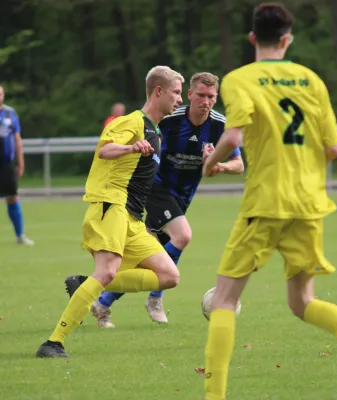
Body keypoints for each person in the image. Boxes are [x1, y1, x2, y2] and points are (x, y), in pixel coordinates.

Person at [200, 3, 337, 400]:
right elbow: (335, 148)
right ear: (288, 39)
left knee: (224, 299)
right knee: (302, 301)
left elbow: (233, 137)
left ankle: (214, 396)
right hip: (308, 204)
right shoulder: (311, 80)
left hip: (265, 201)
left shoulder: (240, 80)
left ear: (253, 38)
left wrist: (211, 163)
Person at [35, 66, 184, 358]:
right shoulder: (133, 121)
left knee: (168, 275)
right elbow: (104, 150)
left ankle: (84, 285)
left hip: (132, 217)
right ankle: (54, 342)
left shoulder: (156, 131)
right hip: (111, 205)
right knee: (106, 271)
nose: (180, 99)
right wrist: (129, 148)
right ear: (158, 91)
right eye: (177, 92)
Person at [92, 72, 244, 327]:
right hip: (155, 189)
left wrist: (217, 164)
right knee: (183, 236)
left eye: (211, 97)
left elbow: (239, 165)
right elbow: (142, 133)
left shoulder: (219, 125)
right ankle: (155, 298)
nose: (206, 101)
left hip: (183, 197)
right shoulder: (170, 120)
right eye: (201, 96)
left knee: (152, 259)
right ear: (190, 95)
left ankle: (102, 303)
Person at [0, 85, 34, 246]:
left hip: (7, 164)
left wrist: (21, 162)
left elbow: (17, 139)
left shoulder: (10, 113)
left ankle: (20, 235)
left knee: (13, 197)